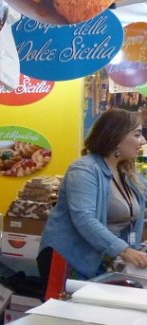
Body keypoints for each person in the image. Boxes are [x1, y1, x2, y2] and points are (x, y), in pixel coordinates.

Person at [38, 108, 147, 288]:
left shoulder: (125, 172)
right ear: (116, 137)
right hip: (68, 258)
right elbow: (84, 219)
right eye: (137, 135)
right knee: (70, 313)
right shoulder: (84, 170)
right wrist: (125, 251)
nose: (142, 141)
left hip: (98, 259)